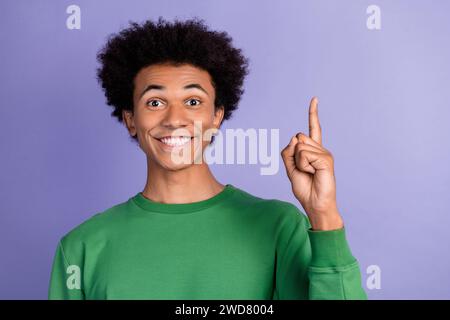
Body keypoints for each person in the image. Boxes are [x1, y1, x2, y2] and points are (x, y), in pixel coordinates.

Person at [48, 17, 367, 300]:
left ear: (216, 116)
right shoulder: (81, 248)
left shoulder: (279, 228)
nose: (174, 119)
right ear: (131, 119)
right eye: (155, 102)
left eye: (192, 100)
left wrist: (324, 215)